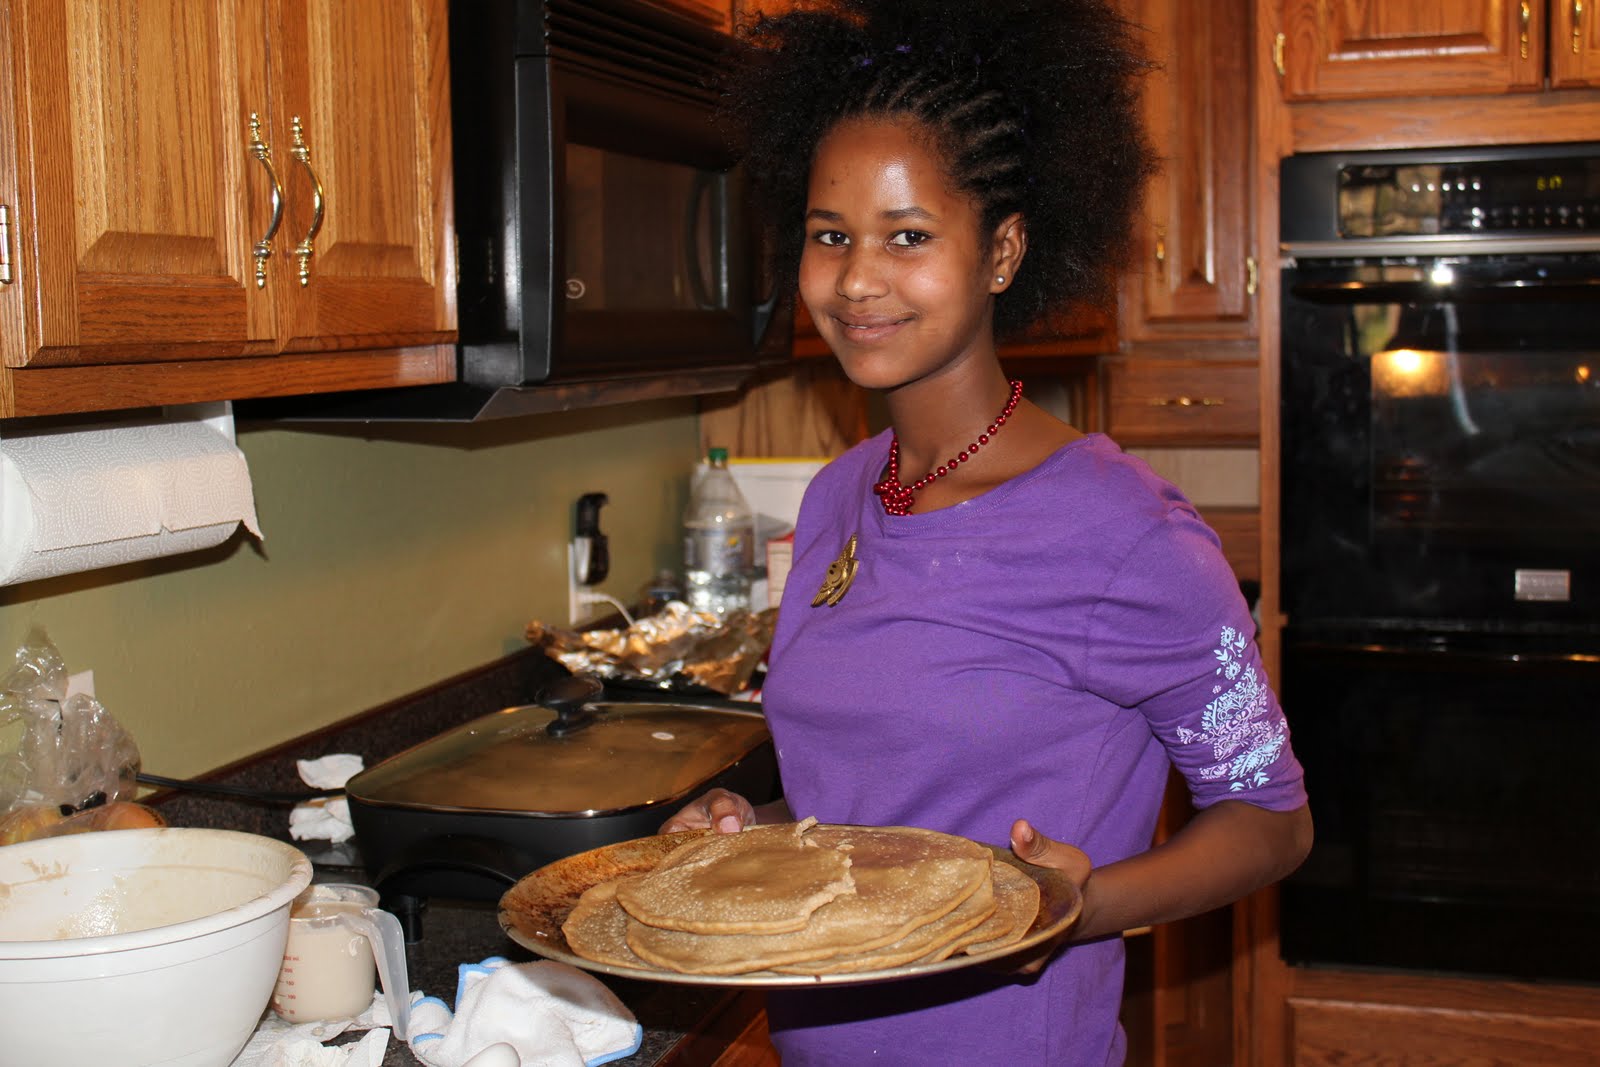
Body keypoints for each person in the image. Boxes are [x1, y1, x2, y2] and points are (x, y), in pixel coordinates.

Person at [661, 1, 1313, 1063]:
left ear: (1002, 250)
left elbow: (1271, 820)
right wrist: (758, 825)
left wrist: (1080, 900)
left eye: (907, 236)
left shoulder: (1124, 538)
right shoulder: (836, 496)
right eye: (831, 236)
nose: (857, 278)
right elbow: (880, 803)